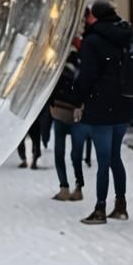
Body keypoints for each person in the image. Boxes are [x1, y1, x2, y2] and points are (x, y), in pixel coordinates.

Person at [74, 0, 133, 224]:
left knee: (103, 159)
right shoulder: (125, 34)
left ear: (94, 15)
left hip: (100, 103)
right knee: (115, 157)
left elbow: (87, 76)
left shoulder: (92, 41)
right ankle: (120, 205)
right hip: (124, 101)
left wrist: (78, 99)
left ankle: (100, 208)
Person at [50, 46, 85, 201]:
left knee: (59, 153)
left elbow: (51, 91)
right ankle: (78, 187)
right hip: (76, 116)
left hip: (59, 114)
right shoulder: (82, 72)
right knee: (76, 155)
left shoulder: (57, 71)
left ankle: (64, 187)